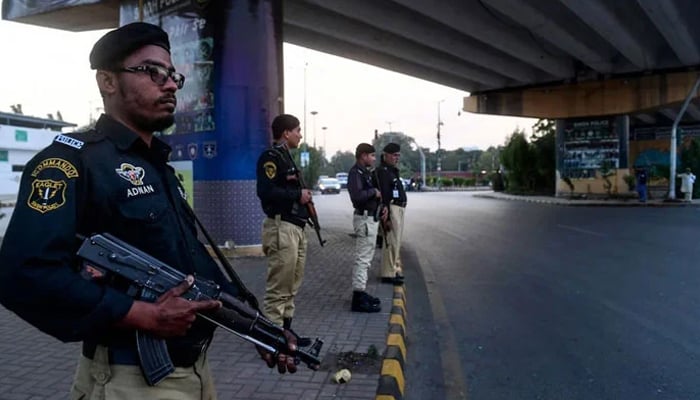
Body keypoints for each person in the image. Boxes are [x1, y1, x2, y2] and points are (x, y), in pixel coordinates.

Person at [0, 22, 297, 400]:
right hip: (129, 380)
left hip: (195, 374)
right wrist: (139, 313)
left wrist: (258, 328)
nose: (170, 84)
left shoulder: (160, 168)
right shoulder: (71, 162)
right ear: (108, 82)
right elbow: (22, 274)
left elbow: (189, 268)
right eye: (152, 71)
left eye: (173, 75)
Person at [256, 114, 313, 345]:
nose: (300, 134)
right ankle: (272, 337)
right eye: (297, 130)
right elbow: (266, 191)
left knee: (292, 284)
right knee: (279, 286)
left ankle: (286, 331)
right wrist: (297, 194)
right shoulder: (270, 158)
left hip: (296, 227)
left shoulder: (286, 157)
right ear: (286, 132)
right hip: (282, 228)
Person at [347, 143, 385, 313]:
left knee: (366, 258)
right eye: (371, 155)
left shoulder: (365, 173)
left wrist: (381, 205)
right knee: (362, 259)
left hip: (371, 217)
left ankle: (361, 292)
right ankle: (358, 297)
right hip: (364, 219)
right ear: (363, 156)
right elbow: (357, 196)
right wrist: (373, 193)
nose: (374, 159)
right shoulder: (355, 173)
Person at [376, 142, 407, 285]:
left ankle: (392, 270)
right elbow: (385, 195)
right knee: (391, 242)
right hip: (392, 208)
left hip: (399, 208)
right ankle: (387, 274)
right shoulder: (383, 172)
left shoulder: (392, 170)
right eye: (394, 155)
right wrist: (386, 217)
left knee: (396, 242)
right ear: (385, 155)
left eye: (398, 155)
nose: (397, 158)